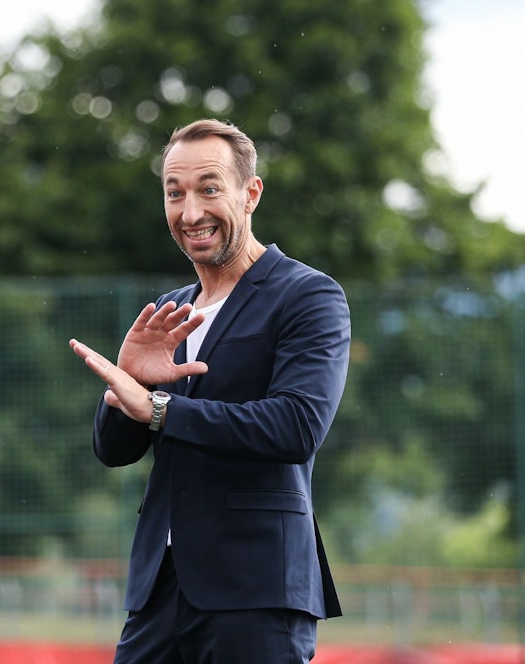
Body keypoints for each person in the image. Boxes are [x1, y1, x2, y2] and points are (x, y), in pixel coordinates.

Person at [69, 118, 350, 663]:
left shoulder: (309, 295)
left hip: (257, 590)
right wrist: (127, 386)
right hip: (159, 591)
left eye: (209, 188)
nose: (190, 212)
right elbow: (114, 450)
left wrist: (157, 407)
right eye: (174, 194)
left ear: (251, 194)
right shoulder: (170, 308)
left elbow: (296, 427)